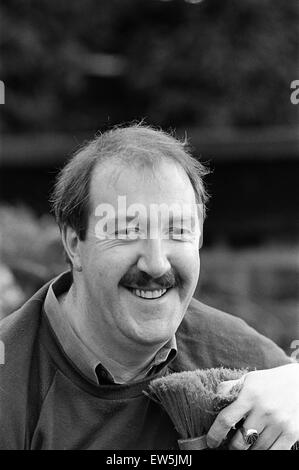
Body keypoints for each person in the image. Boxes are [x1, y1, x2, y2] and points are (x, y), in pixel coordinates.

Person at [0, 124, 298, 450]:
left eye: (177, 231)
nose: (156, 264)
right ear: (74, 243)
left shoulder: (238, 355)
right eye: (127, 232)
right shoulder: (10, 384)